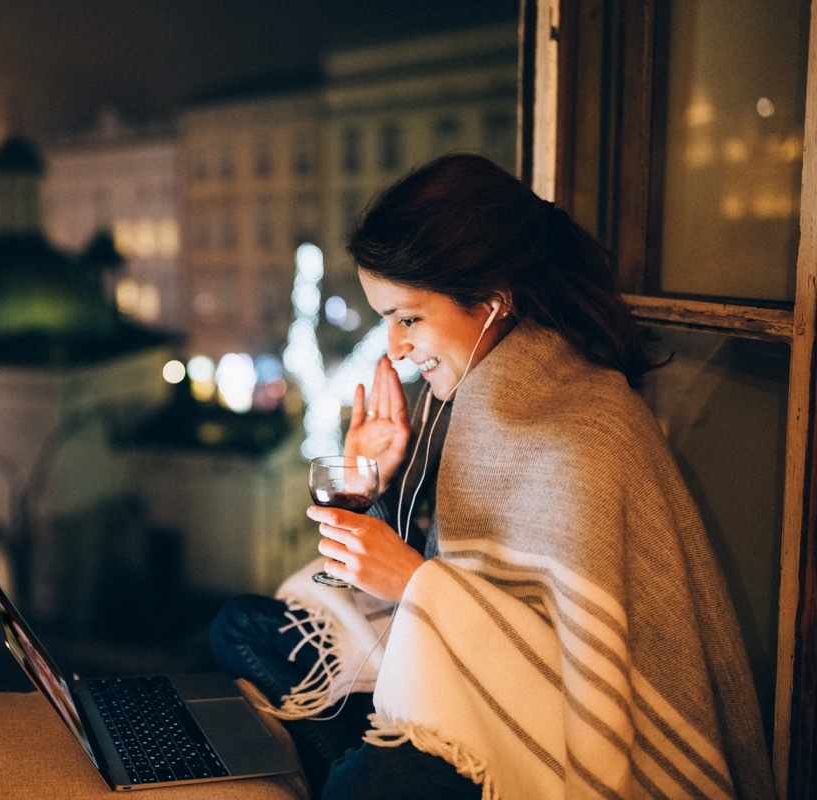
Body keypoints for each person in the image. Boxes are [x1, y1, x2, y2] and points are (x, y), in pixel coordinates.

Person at [209, 154, 776, 799]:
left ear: (492, 301)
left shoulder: (582, 431)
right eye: (386, 320)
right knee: (240, 626)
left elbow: (568, 669)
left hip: (543, 722)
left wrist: (415, 580)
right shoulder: (486, 398)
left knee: (371, 780)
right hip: (459, 670)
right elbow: (458, 579)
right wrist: (374, 488)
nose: (394, 347)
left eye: (409, 318)